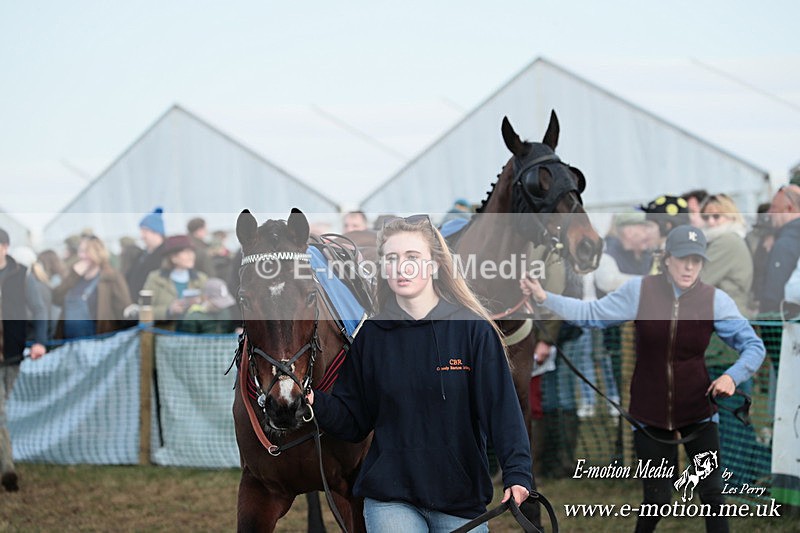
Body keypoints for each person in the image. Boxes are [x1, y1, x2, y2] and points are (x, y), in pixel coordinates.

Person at [521, 225, 765, 533]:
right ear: (666, 260)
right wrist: (545, 297)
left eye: (696, 260)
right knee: (657, 499)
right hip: (649, 412)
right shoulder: (640, 290)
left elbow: (754, 346)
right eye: (682, 258)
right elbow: (592, 313)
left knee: (713, 493)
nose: (689, 266)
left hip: (699, 409)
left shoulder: (716, 300)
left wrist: (732, 376)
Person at [307, 215, 531, 531]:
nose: (402, 267)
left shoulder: (473, 331)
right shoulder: (371, 336)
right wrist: (313, 399)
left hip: (461, 500)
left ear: (435, 265)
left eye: (412, 257)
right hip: (390, 499)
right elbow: (353, 420)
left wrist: (517, 471)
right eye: (392, 258)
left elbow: (502, 411)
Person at [0, 228, 47, 492]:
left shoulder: (21, 276)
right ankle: (7, 468)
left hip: (12, 354)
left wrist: (39, 341)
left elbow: (39, 308)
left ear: (5, 247)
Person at [52, 235, 132, 339]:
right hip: (69, 342)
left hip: (98, 341)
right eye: (80, 251)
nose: (81, 256)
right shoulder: (74, 276)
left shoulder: (111, 277)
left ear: (97, 253)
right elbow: (56, 298)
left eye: (86, 252)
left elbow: (123, 309)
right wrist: (73, 276)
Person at [699, 194, 753, 315]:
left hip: (727, 316)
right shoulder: (728, 238)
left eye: (716, 216)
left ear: (731, 216)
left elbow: (700, 279)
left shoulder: (727, 241)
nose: (711, 222)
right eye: (706, 217)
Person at [143, 235, 208, 325]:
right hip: (165, 332)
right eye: (186, 252)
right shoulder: (155, 279)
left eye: (192, 252)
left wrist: (200, 304)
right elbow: (144, 310)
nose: (191, 256)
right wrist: (168, 310)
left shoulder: (201, 279)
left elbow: (210, 306)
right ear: (173, 258)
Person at [757, 185, 800, 315]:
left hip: (784, 324)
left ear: (789, 209)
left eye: (774, 208)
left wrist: (766, 316)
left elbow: (773, 294)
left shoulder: (786, 243)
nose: (770, 213)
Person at [126, 207, 167, 301]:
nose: (142, 236)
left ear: (156, 232)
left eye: (145, 232)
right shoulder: (141, 255)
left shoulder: (165, 255)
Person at [26, 250, 66, 342]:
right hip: (48, 333)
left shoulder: (49, 283)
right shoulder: (46, 282)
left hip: (44, 335)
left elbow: (51, 311)